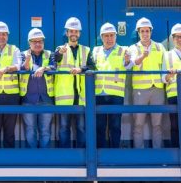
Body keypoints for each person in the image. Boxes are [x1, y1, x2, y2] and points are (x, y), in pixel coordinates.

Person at [54, 17, 95, 148]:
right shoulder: (60, 49)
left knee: (81, 128)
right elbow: (54, 59)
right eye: (71, 31)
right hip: (64, 98)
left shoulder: (86, 50)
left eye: (76, 31)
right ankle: (65, 157)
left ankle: (82, 156)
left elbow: (93, 67)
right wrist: (60, 52)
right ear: (66, 33)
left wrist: (81, 69)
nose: (73, 34)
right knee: (63, 128)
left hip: (81, 98)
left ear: (79, 34)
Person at [92, 23, 132, 148]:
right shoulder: (95, 50)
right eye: (106, 36)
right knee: (100, 126)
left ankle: (114, 153)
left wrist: (127, 60)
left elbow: (129, 65)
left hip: (116, 94)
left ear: (116, 36)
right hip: (99, 94)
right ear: (101, 37)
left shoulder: (124, 50)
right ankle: (101, 153)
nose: (109, 38)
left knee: (115, 125)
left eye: (111, 35)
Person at [129, 17, 166, 148]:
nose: (145, 34)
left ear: (151, 32)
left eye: (147, 31)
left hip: (158, 89)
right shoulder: (133, 48)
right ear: (138, 32)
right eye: (142, 31)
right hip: (140, 90)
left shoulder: (159, 47)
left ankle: (158, 154)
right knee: (138, 123)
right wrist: (143, 56)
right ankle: (139, 154)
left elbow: (165, 67)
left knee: (158, 124)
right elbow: (134, 63)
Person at [20, 28, 55, 148]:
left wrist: (43, 68)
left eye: (40, 41)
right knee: (30, 130)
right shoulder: (23, 54)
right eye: (34, 41)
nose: (37, 44)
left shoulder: (49, 54)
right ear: (29, 43)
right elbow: (22, 69)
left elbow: (54, 67)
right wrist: (27, 61)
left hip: (46, 99)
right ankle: (31, 158)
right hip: (28, 100)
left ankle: (45, 158)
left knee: (45, 130)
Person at [163, 23, 181, 147]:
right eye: (176, 37)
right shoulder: (167, 55)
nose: (179, 39)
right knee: (175, 125)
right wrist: (169, 76)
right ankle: (176, 152)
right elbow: (163, 78)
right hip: (174, 95)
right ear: (172, 39)